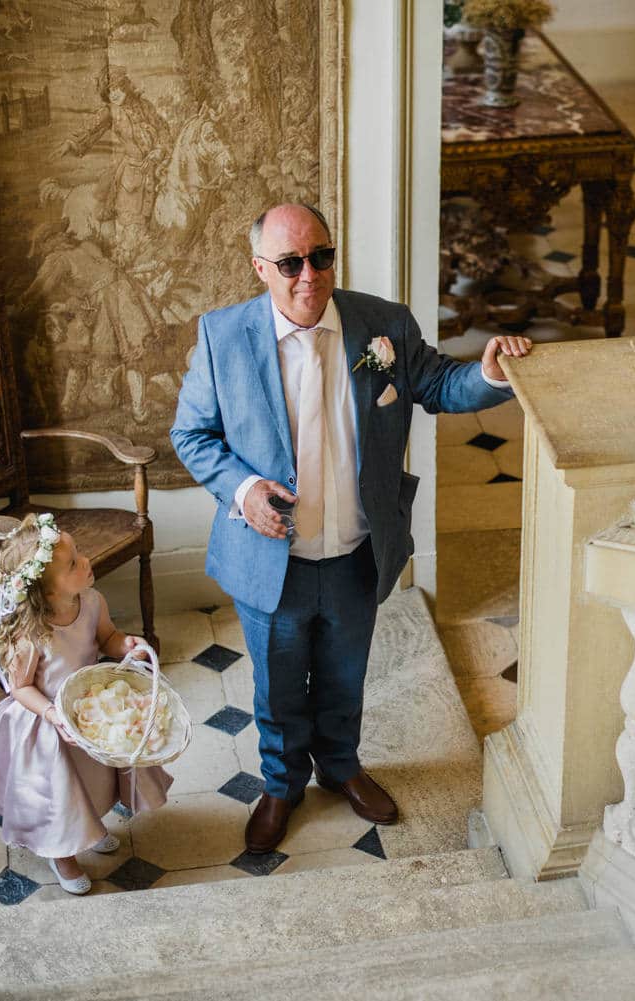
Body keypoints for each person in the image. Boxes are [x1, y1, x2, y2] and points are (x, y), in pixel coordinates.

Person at [171, 203, 531, 853]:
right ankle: (281, 785)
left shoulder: (381, 325)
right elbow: (191, 435)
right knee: (278, 687)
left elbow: (441, 384)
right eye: (289, 263)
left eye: (321, 256)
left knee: (344, 675)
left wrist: (487, 374)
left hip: (354, 551)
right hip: (270, 557)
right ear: (261, 270)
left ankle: (341, 766)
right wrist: (246, 488)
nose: (309, 274)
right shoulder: (223, 338)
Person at [0, 513, 173, 894]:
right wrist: (52, 714)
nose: (86, 562)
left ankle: (89, 827)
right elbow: (19, 688)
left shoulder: (91, 601)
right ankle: (62, 854)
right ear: (45, 591)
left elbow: (108, 637)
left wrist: (126, 646)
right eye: (73, 564)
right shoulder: (31, 631)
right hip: (46, 720)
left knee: (93, 781)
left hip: (86, 710)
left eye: (79, 555)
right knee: (59, 794)